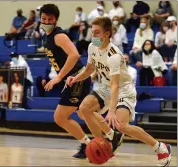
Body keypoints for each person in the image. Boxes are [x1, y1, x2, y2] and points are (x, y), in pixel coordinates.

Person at [66, 17, 171, 166]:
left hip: (123, 88)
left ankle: (160, 147)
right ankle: (104, 140)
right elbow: (90, 68)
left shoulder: (114, 55)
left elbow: (115, 85)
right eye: (92, 32)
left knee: (121, 125)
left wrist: (112, 111)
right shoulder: (92, 46)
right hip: (105, 86)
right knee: (84, 109)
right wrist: (75, 78)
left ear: (107, 34)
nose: (93, 36)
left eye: (97, 33)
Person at [39, 4, 122, 159]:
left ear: (56, 20)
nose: (46, 21)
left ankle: (87, 144)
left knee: (60, 117)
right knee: (85, 113)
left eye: (50, 19)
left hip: (76, 79)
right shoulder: (47, 36)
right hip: (75, 79)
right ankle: (112, 134)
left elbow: (74, 55)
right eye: (44, 18)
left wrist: (58, 77)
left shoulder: (59, 36)